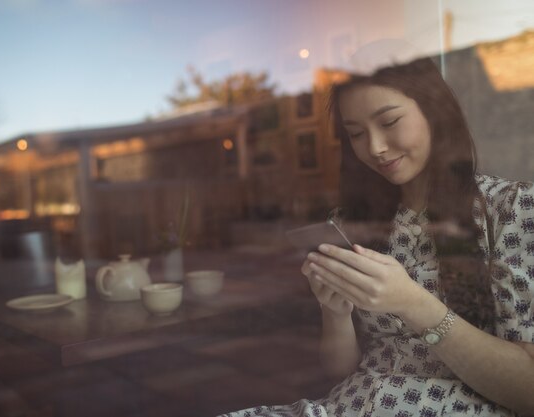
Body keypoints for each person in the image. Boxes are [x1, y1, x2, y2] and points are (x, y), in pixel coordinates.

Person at [220, 45, 534, 417]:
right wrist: (334, 311)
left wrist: (412, 303)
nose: (375, 148)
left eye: (388, 122)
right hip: (349, 404)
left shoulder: (511, 208)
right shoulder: (356, 221)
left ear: (434, 111)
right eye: (355, 133)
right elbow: (340, 372)